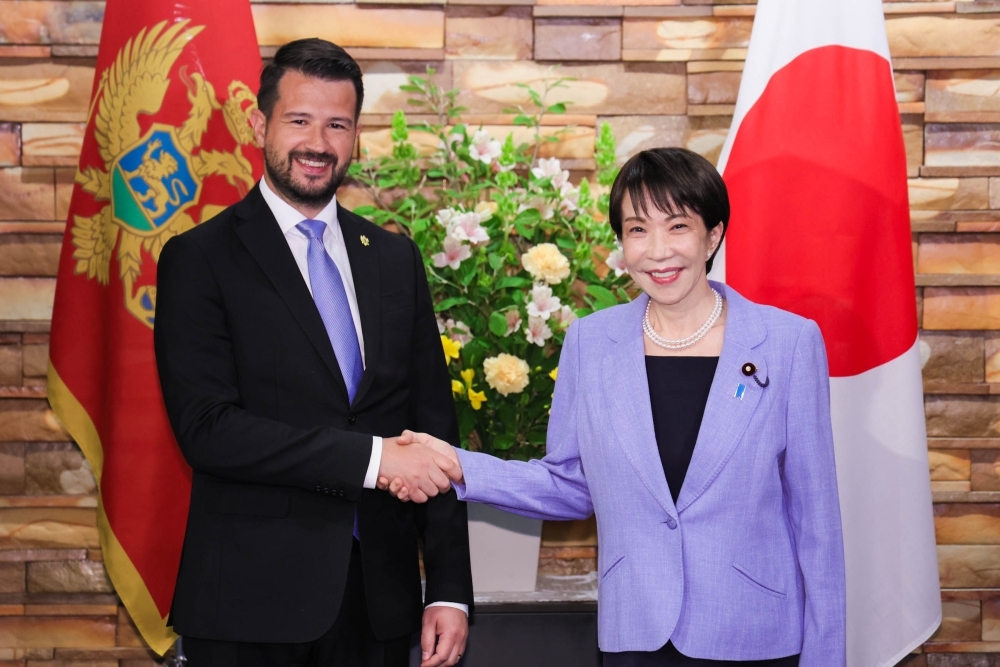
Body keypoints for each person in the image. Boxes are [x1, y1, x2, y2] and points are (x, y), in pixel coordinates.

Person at [386, 148, 846, 665]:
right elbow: (569, 484)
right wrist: (457, 465)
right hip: (636, 634)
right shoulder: (591, 342)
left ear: (713, 235)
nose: (658, 251)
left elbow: (817, 524)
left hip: (754, 637)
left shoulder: (787, 343)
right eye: (637, 230)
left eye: (678, 226)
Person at [154, 38, 472, 667]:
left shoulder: (394, 259)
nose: (318, 143)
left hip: (379, 607)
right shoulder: (199, 259)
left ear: (356, 136)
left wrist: (449, 589)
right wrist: (374, 459)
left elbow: (434, 431)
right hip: (250, 607)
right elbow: (208, 430)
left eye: (337, 125)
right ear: (259, 125)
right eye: (299, 120)